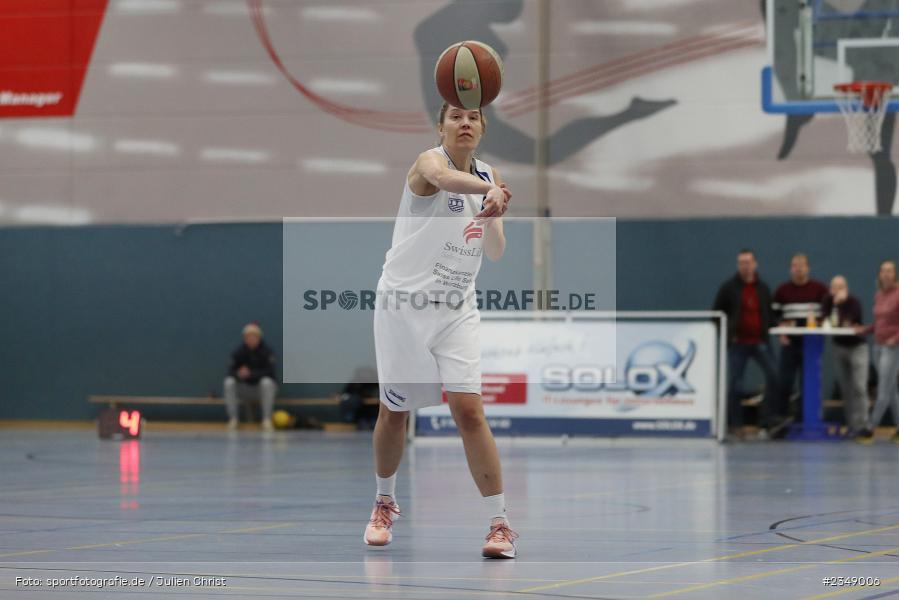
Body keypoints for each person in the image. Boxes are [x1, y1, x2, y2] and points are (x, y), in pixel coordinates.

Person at [364, 101, 517, 558]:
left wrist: (493, 209)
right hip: (402, 307)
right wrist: (490, 188)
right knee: (394, 413)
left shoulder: (489, 177)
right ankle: (383, 502)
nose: (464, 122)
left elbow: (495, 252)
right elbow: (447, 179)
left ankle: (500, 524)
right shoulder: (429, 163)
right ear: (442, 126)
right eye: (455, 116)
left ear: (482, 128)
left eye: (472, 117)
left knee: (469, 411)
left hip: (456, 308)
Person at [713, 249, 781, 438]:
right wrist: (727, 335)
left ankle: (766, 421)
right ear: (738, 265)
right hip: (738, 343)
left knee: (774, 377)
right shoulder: (729, 288)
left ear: (755, 264)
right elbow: (716, 314)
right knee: (735, 384)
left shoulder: (763, 288)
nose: (745, 266)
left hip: (760, 342)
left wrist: (779, 328)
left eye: (748, 262)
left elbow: (769, 314)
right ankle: (735, 425)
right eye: (741, 262)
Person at [773, 253, 829, 424]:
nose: (799, 269)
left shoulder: (820, 289)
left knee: (808, 383)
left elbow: (828, 313)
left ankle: (804, 419)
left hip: (811, 344)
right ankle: (780, 419)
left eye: (802, 265)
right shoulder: (782, 291)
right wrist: (781, 331)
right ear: (791, 269)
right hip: (790, 343)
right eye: (795, 266)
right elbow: (774, 315)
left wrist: (821, 325)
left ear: (808, 268)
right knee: (785, 382)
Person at [821, 276, 870, 438]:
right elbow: (827, 321)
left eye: (841, 287)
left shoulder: (854, 302)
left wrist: (840, 306)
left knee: (859, 387)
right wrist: (835, 305)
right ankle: (851, 425)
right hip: (839, 347)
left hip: (857, 347)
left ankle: (863, 425)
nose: (837, 291)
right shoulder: (828, 301)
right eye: (834, 287)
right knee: (846, 388)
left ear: (846, 288)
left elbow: (849, 321)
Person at [858, 260, 899, 443]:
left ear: (895, 274)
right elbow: (880, 323)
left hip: (893, 347)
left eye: (890, 271)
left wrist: (895, 339)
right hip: (878, 346)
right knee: (891, 392)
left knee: (883, 390)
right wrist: (865, 330)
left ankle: (869, 428)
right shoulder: (879, 295)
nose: (886, 274)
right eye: (883, 271)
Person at [223, 322, 278, 431]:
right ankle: (233, 419)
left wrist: (251, 374)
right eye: (248, 337)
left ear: (259, 338)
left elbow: (270, 372)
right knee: (229, 382)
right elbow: (230, 371)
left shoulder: (267, 352)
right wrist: (239, 374)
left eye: (254, 336)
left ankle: (266, 420)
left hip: (261, 390)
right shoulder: (238, 352)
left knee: (267, 382)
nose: (251, 339)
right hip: (244, 389)